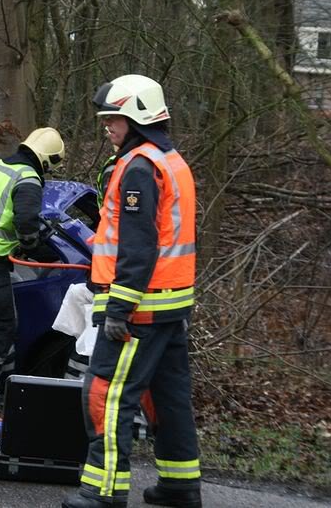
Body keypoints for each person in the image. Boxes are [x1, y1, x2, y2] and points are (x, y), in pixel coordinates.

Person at [62, 75, 200, 508]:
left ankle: (103, 492)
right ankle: (180, 486)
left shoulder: (140, 167)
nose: (108, 128)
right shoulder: (169, 159)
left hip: (139, 305)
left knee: (106, 392)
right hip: (171, 301)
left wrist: (118, 305)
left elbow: (137, 246)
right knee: (168, 395)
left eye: (113, 119)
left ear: (136, 117)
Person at [0, 127, 65, 403]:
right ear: (47, 160)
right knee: (2, 327)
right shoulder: (29, 179)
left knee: (6, 322)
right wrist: (45, 252)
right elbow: (28, 231)